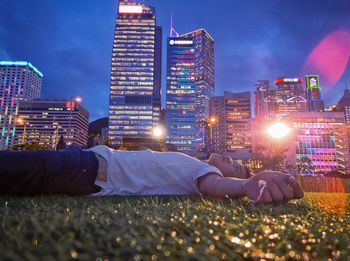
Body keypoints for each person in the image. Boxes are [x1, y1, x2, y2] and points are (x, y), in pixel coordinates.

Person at [0, 145, 304, 204]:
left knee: (12, 168)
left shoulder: (204, 172)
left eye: (236, 164)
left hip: (87, 169)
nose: (229, 159)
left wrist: (247, 184)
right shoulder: (192, 160)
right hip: (84, 161)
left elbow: (218, 185)